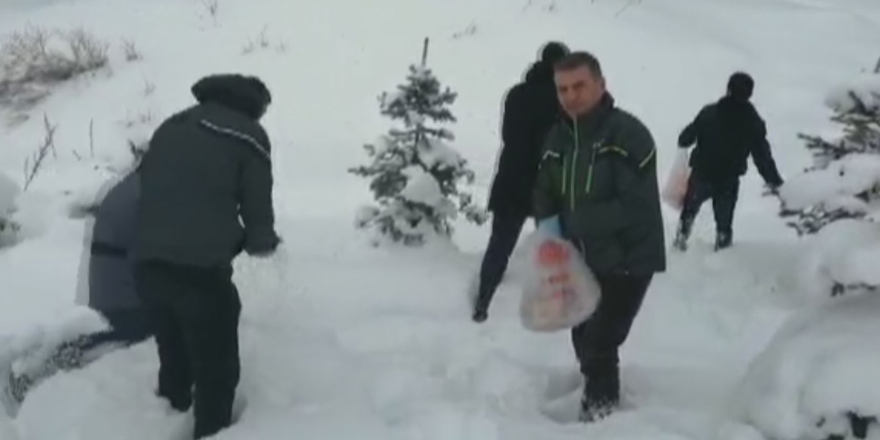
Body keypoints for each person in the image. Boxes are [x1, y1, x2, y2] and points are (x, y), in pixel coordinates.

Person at [132, 73, 280, 439]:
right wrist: (260, 240)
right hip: (197, 270)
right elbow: (258, 207)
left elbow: (149, 183)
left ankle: (169, 410)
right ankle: (211, 431)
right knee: (217, 366)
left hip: (145, 261)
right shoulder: (248, 135)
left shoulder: (173, 124)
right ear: (255, 105)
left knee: (174, 348)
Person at [532, 51, 666, 422]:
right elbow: (544, 188)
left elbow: (633, 207)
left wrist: (572, 223)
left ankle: (601, 417)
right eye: (563, 89)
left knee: (600, 341)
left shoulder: (628, 135)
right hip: (580, 258)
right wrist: (547, 228)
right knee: (582, 335)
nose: (570, 96)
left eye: (579, 86)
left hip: (628, 258)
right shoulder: (557, 138)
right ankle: (597, 388)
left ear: (601, 84)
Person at [2, 168, 153, 417]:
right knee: (142, 329)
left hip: (112, 279)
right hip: (123, 287)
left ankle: (42, 362)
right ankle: (41, 370)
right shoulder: (153, 191)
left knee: (132, 328)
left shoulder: (139, 182)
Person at [472, 41, 569, 323]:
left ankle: (483, 300)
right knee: (556, 241)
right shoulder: (564, 101)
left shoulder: (516, 94)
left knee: (500, 243)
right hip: (548, 182)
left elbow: (507, 135)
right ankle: (559, 302)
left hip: (513, 176)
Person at [673, 72, 784, 251]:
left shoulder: (709, 113)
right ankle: (722, 256)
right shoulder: (752, 122)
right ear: (750, 94)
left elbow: (685, 138)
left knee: (688, 213)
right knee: (724, 226)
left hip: (701, 174)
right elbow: (762, 157)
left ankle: (679, 245)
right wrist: (775, 182)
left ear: (728, 89)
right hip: (727, 181)